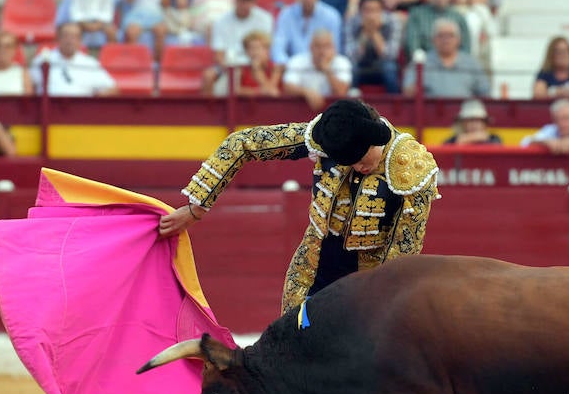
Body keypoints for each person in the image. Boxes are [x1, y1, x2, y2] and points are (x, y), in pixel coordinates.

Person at [158, 97, 440, 315]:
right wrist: (196, 208)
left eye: (362, 157)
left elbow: (404, 250)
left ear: (376, 137)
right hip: (311, 268)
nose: (359, 167)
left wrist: (380, 303)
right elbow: (242, 143)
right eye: (349, 161)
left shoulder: (410, 167)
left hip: (369, 281)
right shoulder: (327, 135)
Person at [207, 0, 274, 93]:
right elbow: (219, 55)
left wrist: (254, 64)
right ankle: (210, 110)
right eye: (242, 0)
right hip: (230, 66)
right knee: (208, 76)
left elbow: (266, 50)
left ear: (255, 0)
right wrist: (231, 69)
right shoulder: (220, 21)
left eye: (248, 1)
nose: (245, 5)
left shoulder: (265, 19)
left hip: (256, 63)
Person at [402, 18, 490, 98]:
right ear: (433, 39)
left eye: (450, 35)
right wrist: (412, 90)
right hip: (429, 113)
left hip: (464, 113)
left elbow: (485, 92)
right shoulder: (420, 62)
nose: (446, 40)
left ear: (458, 39)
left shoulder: (471, 63)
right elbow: (407, 90)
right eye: (441, 35)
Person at [272, 0, 344, 64]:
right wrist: (291, 66)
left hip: (322, 68)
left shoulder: (332, 16)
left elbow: (334, 49)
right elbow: (278, 49)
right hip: (292, 70)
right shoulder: (286, 15)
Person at [32, 22, 120, 97]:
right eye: (66, 36)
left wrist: (93, 103)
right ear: (58, 38)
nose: (69, 41)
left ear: (80, 40)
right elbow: (30, 87)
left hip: (81, 112)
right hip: (49, 111)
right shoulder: (42, 59)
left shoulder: (90, 63)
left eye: (74, 37)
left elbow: (112, 88)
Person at [402, 0, 471, 59]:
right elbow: (412, 47)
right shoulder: (416, 15)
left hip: (454, 66)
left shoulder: (458, 17)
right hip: (425, 65)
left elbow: (466, 49)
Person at [283, 28, 352, 108]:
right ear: (310, 47)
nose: (322, 51)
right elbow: (287, 87)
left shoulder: (342, 63)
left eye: (326, 46)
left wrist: (327, 70)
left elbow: (342, 92)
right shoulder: (297, 61)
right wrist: (306, 92)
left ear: (334, 48)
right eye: (318, 46)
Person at [347, 0, 401, 94]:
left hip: (382, 65)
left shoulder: (393, 21)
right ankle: (348, 107)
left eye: (375, 10)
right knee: (350, 68)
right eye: (367, 10)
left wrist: (375, 32)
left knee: (390, 68)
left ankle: (396, 107)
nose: (371, 15)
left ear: (382, 11)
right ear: (360, 11)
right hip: (361, 65)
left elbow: (391, 55)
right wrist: (365, 34)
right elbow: (351, 56)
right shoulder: (352, 22)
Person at [233, 29, 283, 97]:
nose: (254, 52)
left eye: (258, 48)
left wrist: (257, 70)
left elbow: (271, 91)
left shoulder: (276, 67)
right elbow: (236, 90)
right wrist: (258, 91)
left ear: (267, 49)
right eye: (250, 48)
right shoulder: (242, 69)